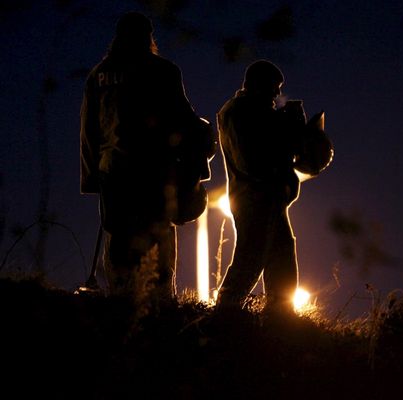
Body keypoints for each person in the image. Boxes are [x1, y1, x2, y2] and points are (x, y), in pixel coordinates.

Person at [80, 12, 215, 305]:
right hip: (154, 170)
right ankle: (158, 304)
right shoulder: (163, 71)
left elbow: (89, 130)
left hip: (112, 171)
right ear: (148, 37)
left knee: (117, 237)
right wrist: (204, 137)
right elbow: (182, 118)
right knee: (157, 237)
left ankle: (119, 299)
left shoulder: (98, 75)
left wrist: (92, 176)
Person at [216, 59, 332, 314]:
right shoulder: (238, 112)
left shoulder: (255, 112)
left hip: (269, 198)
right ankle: (225, 311)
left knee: (281, 256)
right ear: (257, 84)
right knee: (251, 256)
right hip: (253, 198)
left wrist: (296, 134)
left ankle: (280, 314)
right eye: (274, 86)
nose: (277, 94)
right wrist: (286, 132)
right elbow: (252, 161)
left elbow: (273, 151)